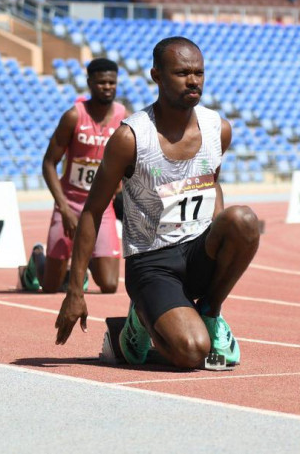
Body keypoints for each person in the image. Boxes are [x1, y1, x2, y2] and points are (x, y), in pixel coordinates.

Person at [55, 37, 260, 370]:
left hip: (197, 251)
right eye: (182, 73)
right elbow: (93, 211)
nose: (193, 81)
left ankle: (210, 311)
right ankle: (137, 319)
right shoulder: (130, 138)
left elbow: (213, 183)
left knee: (243, 220)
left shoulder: (217, 129)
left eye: (199, 73)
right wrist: (75, 290)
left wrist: (215, 232)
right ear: (157, 76)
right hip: (153, 262)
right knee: (192, 353)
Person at [18, 59, 127, 294]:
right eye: (101, 83)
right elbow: (48, 163)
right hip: (70, 202)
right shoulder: (73, 116)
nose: (107, 87)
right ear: (89, 83)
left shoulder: (122, 115)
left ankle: (83, 256)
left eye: (111, 82)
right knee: (50, 287)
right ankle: (38, 256)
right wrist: (64, 208)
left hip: (101, 205)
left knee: (109, 285)